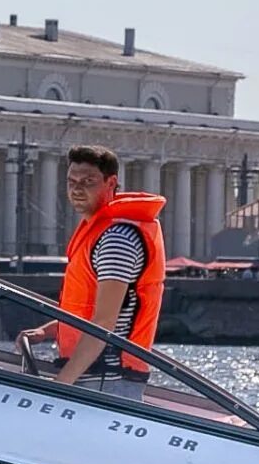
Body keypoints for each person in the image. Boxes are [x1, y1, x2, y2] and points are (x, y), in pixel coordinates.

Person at [19, 145, 166, 386]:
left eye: (88, 181)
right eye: (71, 181)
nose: (77, 189)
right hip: (96, 374)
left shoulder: (117, 239)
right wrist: (46, 332)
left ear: (111, 183)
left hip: (107, 377)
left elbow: (104, 323)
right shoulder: (103, 233)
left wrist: (61, 384)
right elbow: (89, 313)